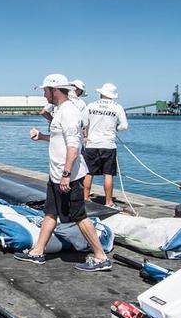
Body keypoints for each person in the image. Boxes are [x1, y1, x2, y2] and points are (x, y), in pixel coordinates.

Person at [14, 74, 111, 272]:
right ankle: (37, 252)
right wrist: (41, 136)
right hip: (56, 175)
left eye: (45, 90)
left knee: (79, 216)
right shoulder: (60, 111)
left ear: (54, 90)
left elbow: (73, 147)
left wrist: (66, 174)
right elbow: (60, 139)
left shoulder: (69, 113)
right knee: (50, 212)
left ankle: (101, 257)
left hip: (68, 177)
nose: (43, 94)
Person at [81, 83, 129, 208]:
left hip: (91, 144)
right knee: (108, 174)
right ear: (112, 95)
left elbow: (83, 122)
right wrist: (115, 128)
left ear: (101, 93)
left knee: (88, 173)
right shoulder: (118, 107)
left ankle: (85, 198)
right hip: (108, 144)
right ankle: (109, 202)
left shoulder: (91, 105)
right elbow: (124, 125)